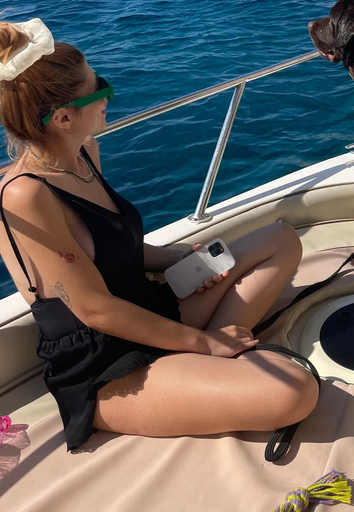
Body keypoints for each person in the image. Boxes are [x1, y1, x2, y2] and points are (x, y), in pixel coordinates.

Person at [0, 18, 319, 451]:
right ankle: (208, 358)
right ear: (62, 117)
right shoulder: (24, 196)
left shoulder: (83, 152)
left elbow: (113, 246)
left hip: (148, 307)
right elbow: (95, 310)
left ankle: (209, 361)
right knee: (294, 391)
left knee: (281, 239)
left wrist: (178, 257)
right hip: (108, 363)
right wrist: (205, 341)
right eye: (101, 88)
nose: (110, 95)